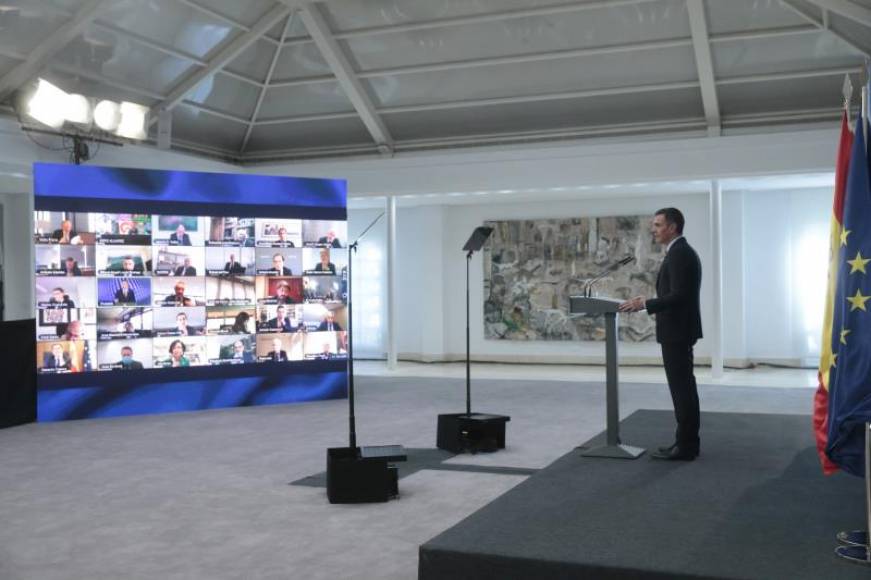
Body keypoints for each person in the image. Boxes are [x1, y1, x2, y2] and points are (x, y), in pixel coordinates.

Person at [619, 207, 702, 461]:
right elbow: (676, 293)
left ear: (672, 227)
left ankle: (686, 446)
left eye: (657, 225)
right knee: (683, 388)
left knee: (682, 389)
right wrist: (649, 301)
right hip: (678, 330)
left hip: (677, 331)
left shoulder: (680, 254)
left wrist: (646, 303)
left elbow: (679, 296)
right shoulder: (678, 252)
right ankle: (685, 442)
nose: (653, 230)